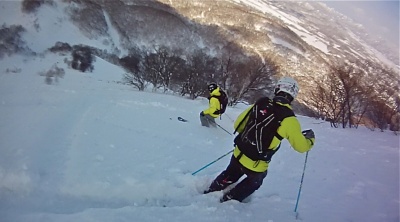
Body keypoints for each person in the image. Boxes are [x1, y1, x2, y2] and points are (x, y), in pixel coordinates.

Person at [203, 76, 315, 203]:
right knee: (255, 181)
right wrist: (310, 140)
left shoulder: (261, 103)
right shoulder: (289, 119)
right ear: (293, 96)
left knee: (231, 173)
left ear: (277, 89)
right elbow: (301, 147)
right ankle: (229, 200)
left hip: (239, 152)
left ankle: (210, 191)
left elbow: (238, 125)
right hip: (257, 163)